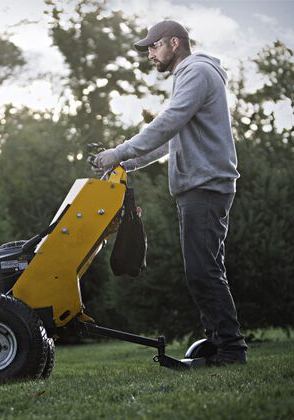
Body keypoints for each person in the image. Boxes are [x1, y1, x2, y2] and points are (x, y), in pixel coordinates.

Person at [93, 20, 247, 365]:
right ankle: (219, 343)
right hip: (198, 186)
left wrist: (119, 151)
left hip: (205, 185)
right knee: (204, 268)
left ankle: (232, 350)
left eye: (154, 46)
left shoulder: (196, 72)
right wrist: (126, 163)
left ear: (174, 43)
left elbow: (168, 121)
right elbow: (171, 136)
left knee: (203, 271)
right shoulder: (190, 76)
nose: (150, 53)